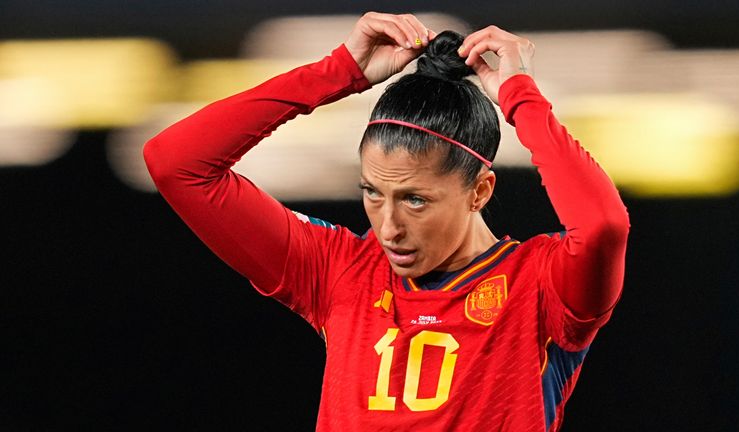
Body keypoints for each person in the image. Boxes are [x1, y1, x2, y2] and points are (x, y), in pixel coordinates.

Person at [143, 12, 629, 432]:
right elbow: (177, 162)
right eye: (373, 193)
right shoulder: (339, 271)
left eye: (415, 200)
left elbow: (603, 225)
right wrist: (337, 72)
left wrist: (520, 96)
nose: (388, 226)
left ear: (480, 191)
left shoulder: (541, 286)